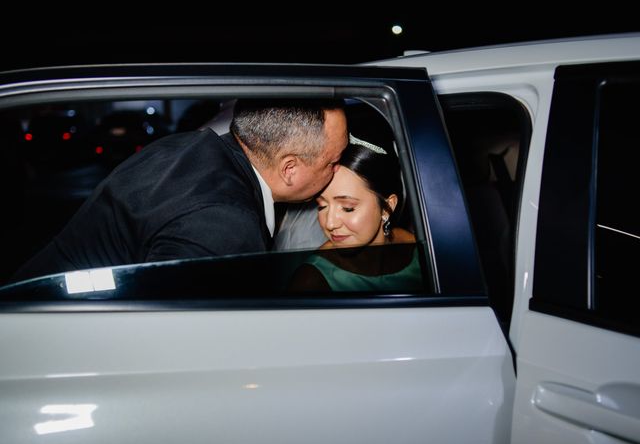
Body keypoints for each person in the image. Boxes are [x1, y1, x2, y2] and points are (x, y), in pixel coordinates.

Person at [10, 99, 348, 283]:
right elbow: (174, 338)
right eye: (333, 161)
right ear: (290, 169)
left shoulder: (191, 145)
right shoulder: (224, 225)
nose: (338, 170)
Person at [289, 137, 422, 292]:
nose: (330, 224)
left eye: (347, 208)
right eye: (322, 206)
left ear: (387, 207)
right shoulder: (310, 281)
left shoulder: (424, 251)